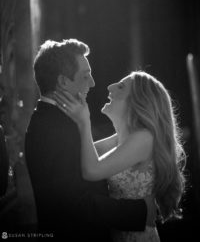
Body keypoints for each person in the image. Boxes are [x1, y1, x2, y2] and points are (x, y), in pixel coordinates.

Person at [25, 39, 156, 241]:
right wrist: (140, 211)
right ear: (63, 82)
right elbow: (74, 204)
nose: (93, 83)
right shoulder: (54, 128)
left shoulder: (57, 121)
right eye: (85, 76)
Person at [54, 70, 186, 242]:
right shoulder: (122, 139)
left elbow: (91, 170)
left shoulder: (144, 138)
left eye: (121, 86)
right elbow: (79, 156)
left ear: (138, 102)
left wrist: (84, 122)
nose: (110, 86)